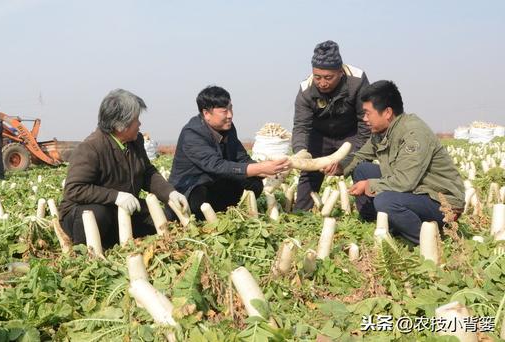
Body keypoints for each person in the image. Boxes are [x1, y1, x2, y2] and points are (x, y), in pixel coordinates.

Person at [323, 80, 465, 244]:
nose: (364, 118)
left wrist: (369, 185)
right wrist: (339, 167)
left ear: (387, 112)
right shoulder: (382, 132)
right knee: (362, 169)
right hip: (415, 191)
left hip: (439, 201)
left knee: (386, 201)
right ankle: (384, 222)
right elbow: (360, 156)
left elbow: (405, 182)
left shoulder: (414, 133)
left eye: (368, 113)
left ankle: (427, 241)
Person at [59, 89, 189, 250]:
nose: (140, 124)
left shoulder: (136, 141)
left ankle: (119, 241)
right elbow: (75, 189)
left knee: (164, 217)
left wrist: (170, 193)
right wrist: (116, 196)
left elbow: (147, 172)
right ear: (120, 125)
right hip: (84, 213)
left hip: (121, 209)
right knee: (99, 214)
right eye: (136, 120)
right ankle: (89, 252)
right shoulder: (90, 148)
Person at [168, 86, 290, 221]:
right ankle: (202, 219)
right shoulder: (192, 134)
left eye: (231, 108)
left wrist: (268, 170)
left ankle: (227, 211)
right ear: (206, 113)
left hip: (214, 182)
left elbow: (241, 157)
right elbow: (217, 166)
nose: (230, 115)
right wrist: (260, 168)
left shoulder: (228, 129)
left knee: (253, 183)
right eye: (224, 111)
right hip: (191, 188)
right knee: (199, 198)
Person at [292, 40, 370, 211]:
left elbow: (366, 125)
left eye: (328, 77)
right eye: (318, 77)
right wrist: (300, 152)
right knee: (308, 173)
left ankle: (367, 214)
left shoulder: (357, 81)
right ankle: (301, 215)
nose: (322, 83)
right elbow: (301, 127)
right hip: (319, 136)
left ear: (340, 72)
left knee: (361, 167)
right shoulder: (306, 90)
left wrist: (347, 161)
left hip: (352, 135)